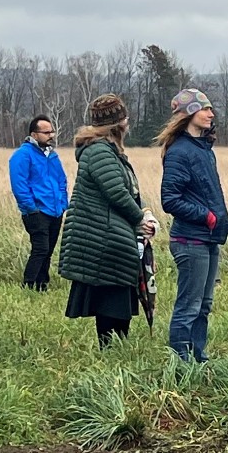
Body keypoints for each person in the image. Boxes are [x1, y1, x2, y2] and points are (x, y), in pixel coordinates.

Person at [61, 94, 159, 348]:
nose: (128, 122)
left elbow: (128, 191)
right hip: (102, 236)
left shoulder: (106, 151)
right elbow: (117, 193)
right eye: (124, 117)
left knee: (115, 295)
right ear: (117, 124)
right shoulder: (100, 152)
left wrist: (143, 212)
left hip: (107, 232)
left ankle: (115, 349)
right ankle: (111, 350)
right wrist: (140, 220)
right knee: (112, 297)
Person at [157, 89, 228, 362]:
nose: (211, 114)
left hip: (209, 239)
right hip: (190, 240)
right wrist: (206, 216)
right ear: (189, 113)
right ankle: (180, 361)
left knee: (205, 305)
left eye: (211, 109)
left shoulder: (204, 150)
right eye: (205, 109)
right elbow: (170, 200)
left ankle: (199, 356)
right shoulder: (180, 152)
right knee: (189, 306)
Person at [10, 114, 68, 291]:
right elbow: (19, 185)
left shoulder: (52, 155)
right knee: (40, 248)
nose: (51, 135)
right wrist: (30, 208)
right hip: (37, 212)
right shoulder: (22, 155)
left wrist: (63, 202)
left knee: (48, 250)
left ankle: (42, 285)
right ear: (34, 134)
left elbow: (61, 180)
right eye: (46, 132)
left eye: (52, 131)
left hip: (55, 210)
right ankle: (28, 284)